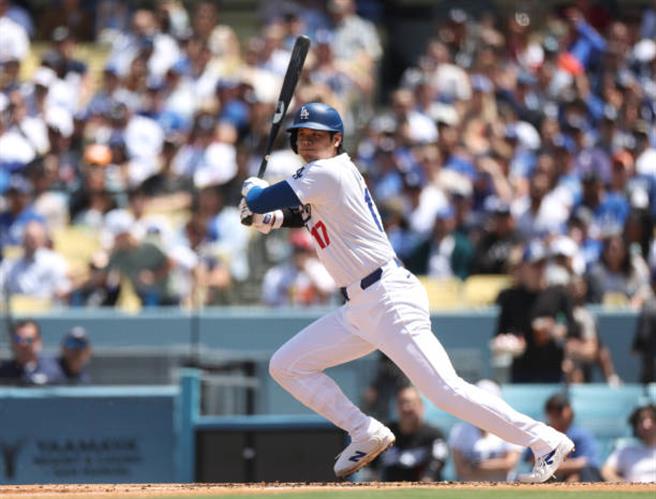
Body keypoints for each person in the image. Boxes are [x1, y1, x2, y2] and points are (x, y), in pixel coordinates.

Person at [239, 102, 574, 482]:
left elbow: (265, 198)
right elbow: (300, 214)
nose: (308, 142)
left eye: (316, 136)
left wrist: (255, 195)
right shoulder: (324, 177)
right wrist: (269, 218)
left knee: (445, 390)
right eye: (302, 137)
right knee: (287, 365)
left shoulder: (328, 171)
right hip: (360, 307)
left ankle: (543, 439)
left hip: (387, 297)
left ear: (337, 140)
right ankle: (364, 430)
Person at [449, 380, 523, 482]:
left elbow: (509, 463)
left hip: (502, 491)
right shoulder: (459, 430)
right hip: (469, 492)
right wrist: (496, 464)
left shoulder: (511, 428)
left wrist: (477, 465)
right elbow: (460, 469)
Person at [373, 385, 448, 482]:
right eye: (401, 403)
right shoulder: (384, 433)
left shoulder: (434, 435)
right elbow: (372, 466)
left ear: (421, 406)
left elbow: (437, 462)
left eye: (410, 403)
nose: (406, 408)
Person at [542, 393, 602, 482]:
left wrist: (553, 466)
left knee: (579, 475)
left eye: (560, 409)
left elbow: (586, 462)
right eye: (553, 410)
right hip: (548, 478)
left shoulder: (580, 434)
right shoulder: (543, 434)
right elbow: (533, 461)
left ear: (569, 410)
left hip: (575, 477)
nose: (557, 414)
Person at [601, 403, 656, 483]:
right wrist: (624, 484)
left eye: (653, 419)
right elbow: (606, 471)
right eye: (641, 421)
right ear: (635, 425)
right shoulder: (625, 451)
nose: (647, 425)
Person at [0, 319, 61, 386]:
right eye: (18, 339)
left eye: (29, 340)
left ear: (39, 341)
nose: (23, 344)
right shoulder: (3, 371)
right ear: (12, 342)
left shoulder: (54, 370)